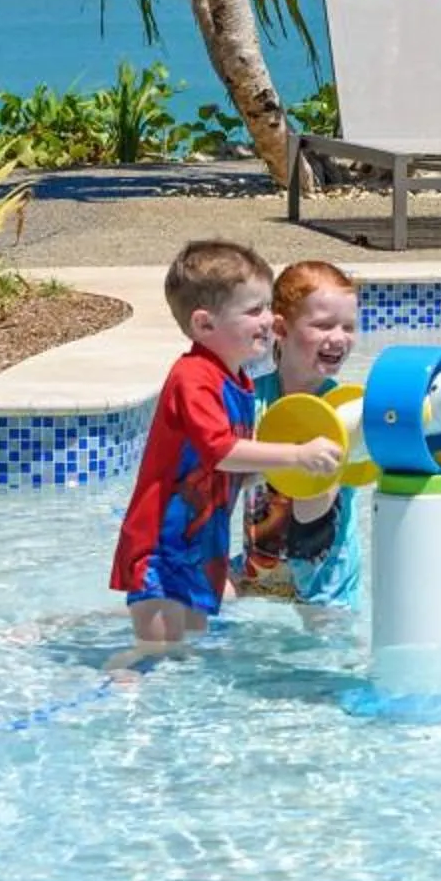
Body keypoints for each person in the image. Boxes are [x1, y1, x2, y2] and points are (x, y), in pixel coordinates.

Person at [109, 238, 341, 664]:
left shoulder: (238, 383)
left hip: (201, 549)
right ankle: (115, 694)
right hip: (161, 549)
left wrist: (287, 475)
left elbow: (233, 469)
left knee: (185, 654)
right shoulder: (193, 378)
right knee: (153, 653)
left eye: (268, 307)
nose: (270, 319)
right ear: (204, 325)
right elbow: (220, 451)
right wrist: (295, 455)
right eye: (254, 310)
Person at [237, 260, 366, 619]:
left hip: (326, 590)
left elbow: (312, 511)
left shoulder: (345, 411)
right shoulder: (251, 401)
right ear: (281, 328)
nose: (339, 337)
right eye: (323, 325)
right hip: (258, 570)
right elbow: (224, 475)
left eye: (349, 327)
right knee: (174, 601)